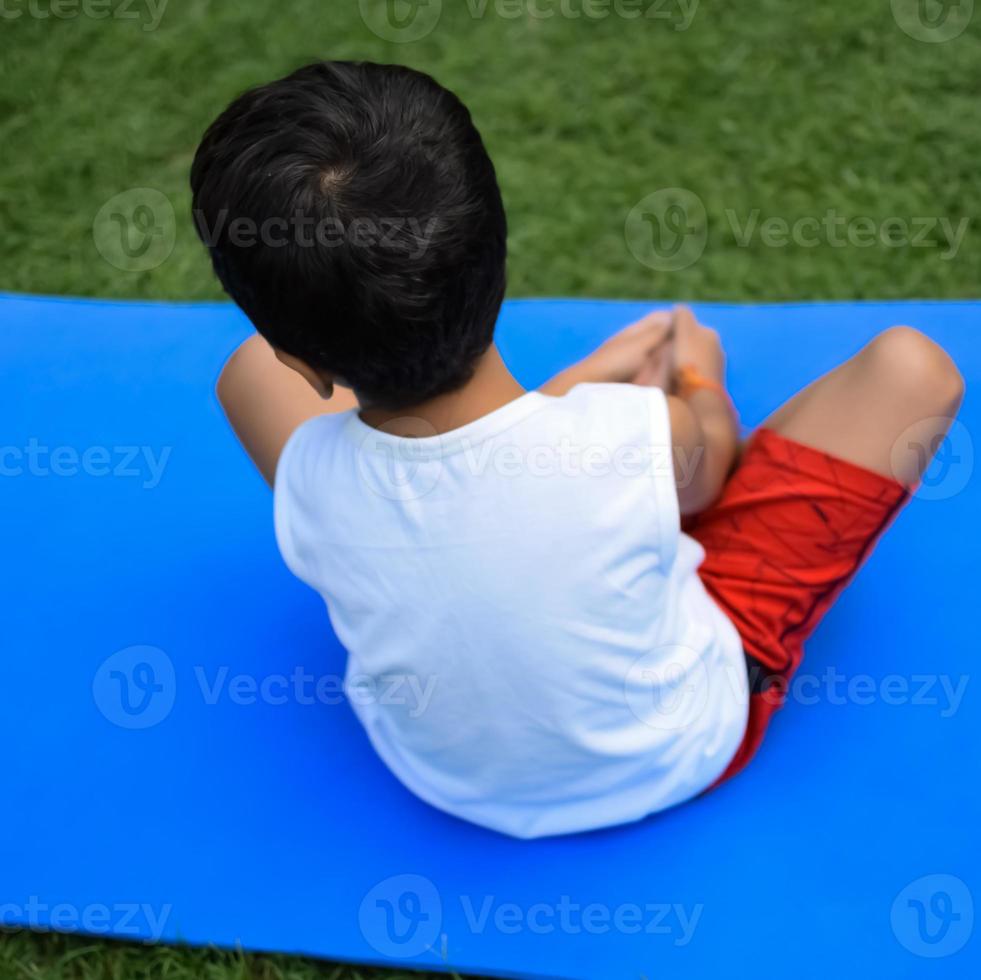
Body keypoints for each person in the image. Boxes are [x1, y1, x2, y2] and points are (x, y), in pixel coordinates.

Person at [192, 60, 963, 838]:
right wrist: (697, 378)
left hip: (446, 781)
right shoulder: (637, 432)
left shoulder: (306, 473)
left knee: (244, 372)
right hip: (682, 749)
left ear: (305, 361)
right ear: (494, 252)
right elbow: (706, 483)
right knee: (910, 369)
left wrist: (580, 392)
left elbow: (291, 374)